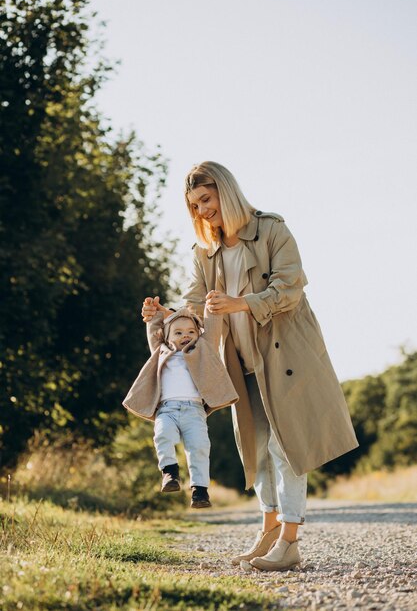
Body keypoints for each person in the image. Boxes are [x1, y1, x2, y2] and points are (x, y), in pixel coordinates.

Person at [141, 161, 359, 570]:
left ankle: (290, 541)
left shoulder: (273, 230)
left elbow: (289, 288)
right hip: (238, 361)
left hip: (286, 356)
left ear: (226, 191)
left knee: (285, 445)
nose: (202, 210)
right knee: (255, 448)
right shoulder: (205, 251)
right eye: (194, 205)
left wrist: (241, 302)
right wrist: (164, 314)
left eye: (206, 199)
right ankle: (269, 532)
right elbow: (194, 306)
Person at [122, 302, 239, 508]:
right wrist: (156, 310)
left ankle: (200, 491)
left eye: (191, 331)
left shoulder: (203, 349)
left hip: (194, 411)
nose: (185, 335)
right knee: (162, 435)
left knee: (199, 447)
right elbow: (153, 327)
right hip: (166, 410)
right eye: (178, 332)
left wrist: (212, 306)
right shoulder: (161, 351)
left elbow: (212, 326)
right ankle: (170, 472)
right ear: (166, 337)